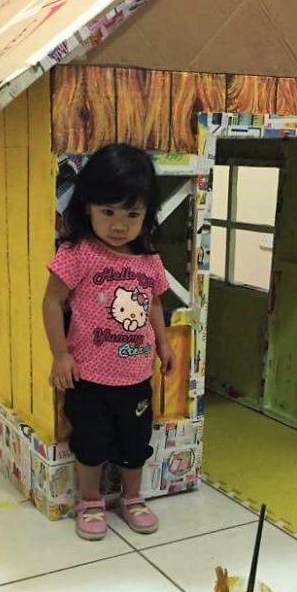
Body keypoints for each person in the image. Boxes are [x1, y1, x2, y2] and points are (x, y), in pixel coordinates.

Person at [43, 144, 175, 541]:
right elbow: (52, 301)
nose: (120, 224)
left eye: (132, 214)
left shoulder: (149, 261)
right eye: (109, 212)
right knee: (90, 444)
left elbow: (153, 304)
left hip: (135, 377)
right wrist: (60, 354)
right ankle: (90, 501)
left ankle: (132, 499)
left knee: (136, 444)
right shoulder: (77, 253)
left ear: (147, 215)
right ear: (88, 207)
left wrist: (164, 344)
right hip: (89, 377)